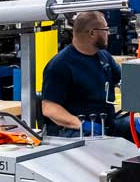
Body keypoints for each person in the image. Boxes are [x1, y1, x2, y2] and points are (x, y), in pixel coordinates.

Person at [39, 10, 126, 138]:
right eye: (105, 29)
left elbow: (125, 80)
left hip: (106, 122)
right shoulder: (60, 65)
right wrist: (81, 124)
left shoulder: (103, 56)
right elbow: (49, 108)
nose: (109, 34)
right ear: (92, 33)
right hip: (74, 130)